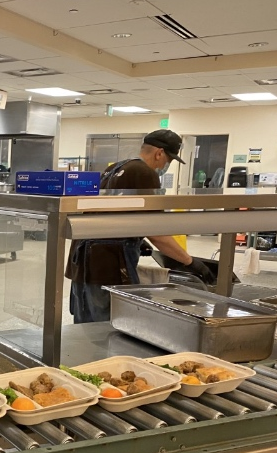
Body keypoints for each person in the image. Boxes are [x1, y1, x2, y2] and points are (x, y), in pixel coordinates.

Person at [66, 129, 216, 323]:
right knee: (110, 327)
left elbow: (111, 214)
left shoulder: (114, 168)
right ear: (159, 153)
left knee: (85, 326)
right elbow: (157, 233)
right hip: (108, 265)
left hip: (83, 262)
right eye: (169, 160)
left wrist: (137, 236)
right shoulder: (145, 173)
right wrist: (190, 262)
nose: (166, 165)